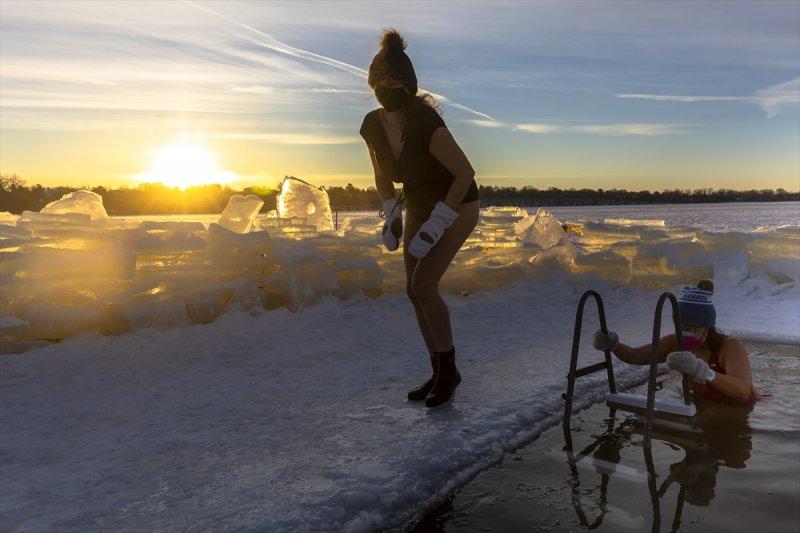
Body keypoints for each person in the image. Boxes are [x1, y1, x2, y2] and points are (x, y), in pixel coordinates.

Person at [359, 29, 480, 407]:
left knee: (425, 285)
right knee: (413, 290)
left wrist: (439, 221)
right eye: (380, 79)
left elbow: (465, 173)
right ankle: (438, 369)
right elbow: (381, 174)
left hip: (457, 204)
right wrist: (391, 211)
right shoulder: (372, 125)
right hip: (416, 203)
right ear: (372, 83)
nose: (386, 86)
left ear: (409, 85)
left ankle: (449, 373)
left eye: (394, 80)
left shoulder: (424, 121)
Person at [592, 279, 757, 402]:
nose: (686, 334)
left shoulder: (730, 347)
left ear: (707, 327)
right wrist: (613, 344)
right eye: (682, 328)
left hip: (738, 409)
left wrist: (703, 371)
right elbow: (635, 356)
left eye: (692, 329)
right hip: (705, 404)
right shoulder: (674, 342)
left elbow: (742, 391)